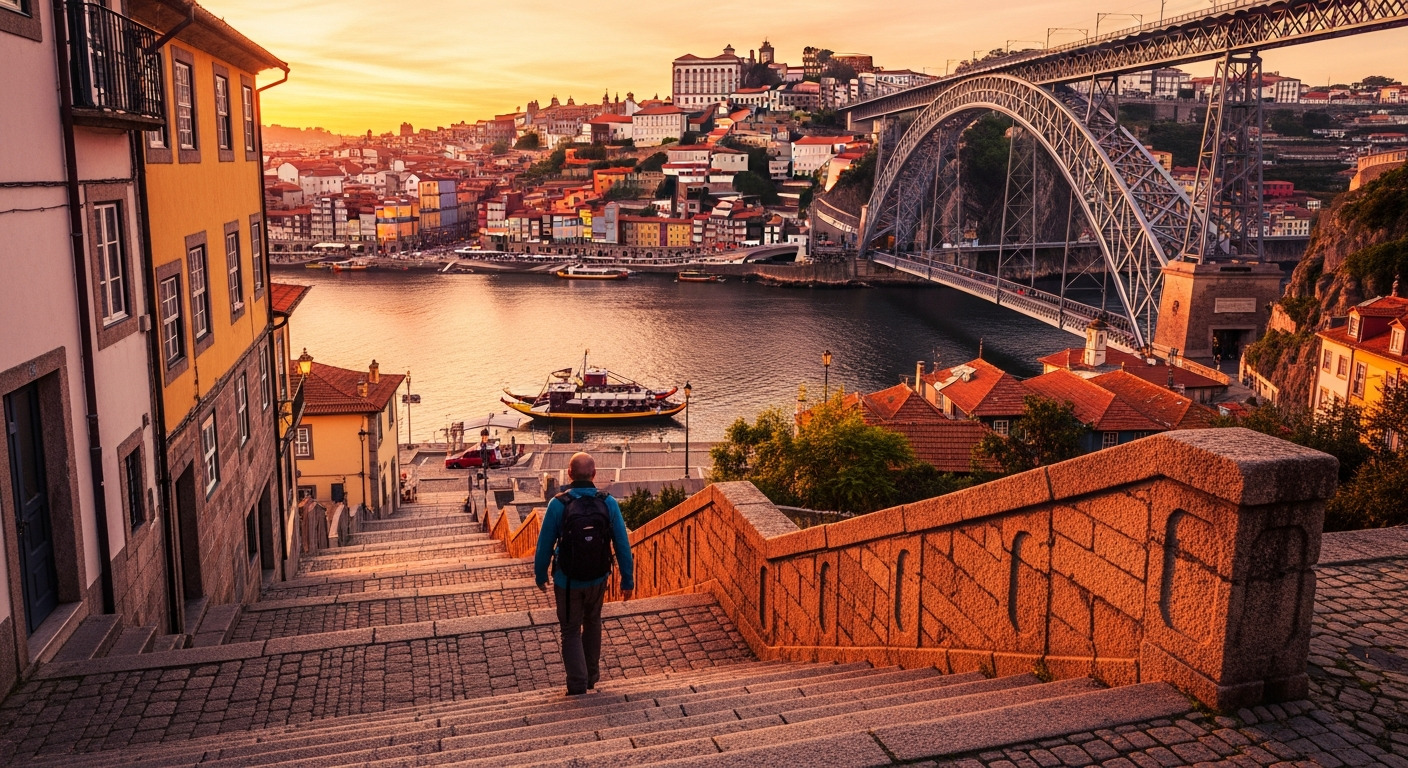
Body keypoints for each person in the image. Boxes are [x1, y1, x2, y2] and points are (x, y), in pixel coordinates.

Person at [534, 452, 634, 696]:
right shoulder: (608, 502)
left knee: (570, 630)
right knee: (593, 622)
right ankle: (591, 677)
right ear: (594, 473)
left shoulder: (558, 504)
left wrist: (540, 575)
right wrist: (627, 580)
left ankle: (578, 685)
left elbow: (544, 544)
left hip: (567, 582)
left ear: (569, 474)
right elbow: (621, 543)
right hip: (599, 578)